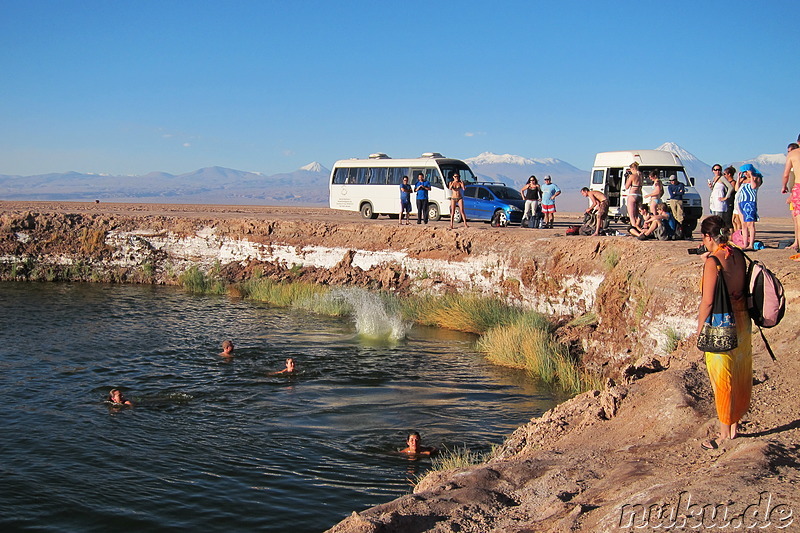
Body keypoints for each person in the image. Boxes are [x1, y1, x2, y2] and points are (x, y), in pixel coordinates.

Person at [695, 216, 751, 450]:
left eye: (703, 238)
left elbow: (708, 302)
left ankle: (723, 434)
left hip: (721, 324)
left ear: (708, 237)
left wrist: (699, 330)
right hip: (742, 320)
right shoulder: (737, 254)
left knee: (723, 377)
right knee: (740, 371)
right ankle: (734, 425)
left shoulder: (713, 262)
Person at [737, 164, 762, 251]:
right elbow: (737, 189)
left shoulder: (757, 178)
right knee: (743, 224)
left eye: (746, 172)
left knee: (750, 224)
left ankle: (751, 244)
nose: (745, 174)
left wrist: (751, 176)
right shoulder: (743, 180)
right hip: (741, 202)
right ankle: (745, 243)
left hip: (750, 202)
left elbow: (753, 186)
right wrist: (738, 179)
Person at [781, 142, 800, 251]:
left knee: (798, 218)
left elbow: (785, 174)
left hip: (798, 186)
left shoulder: (793, 154)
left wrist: (784, 186)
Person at [624, 162, 643, 228]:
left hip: (632, 194)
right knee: (638, 213)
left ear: (632, 168)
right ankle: (639, 226)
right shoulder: (641, 175)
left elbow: (626, 186)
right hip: (639, 194)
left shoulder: (632, 176)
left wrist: (627, 177)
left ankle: (634, 227)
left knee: (631, 214)